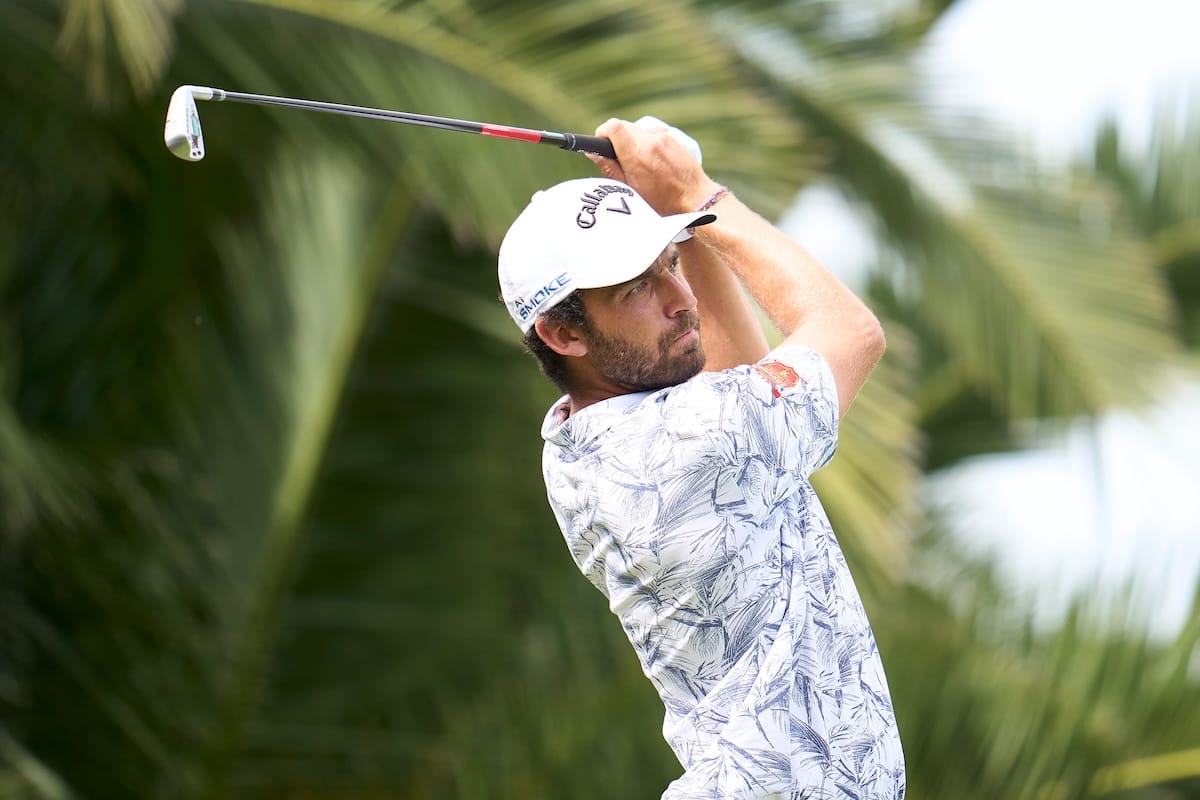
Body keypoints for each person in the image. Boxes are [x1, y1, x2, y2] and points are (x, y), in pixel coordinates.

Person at [497, 117, 905, 800]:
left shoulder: (577, 445)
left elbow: (733, 373)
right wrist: (700, 194)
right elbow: (852, 332)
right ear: (563, 334)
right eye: (636, 288)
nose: (680, 299)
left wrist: (682, 221)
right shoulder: (691, 440)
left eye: (670, 264)